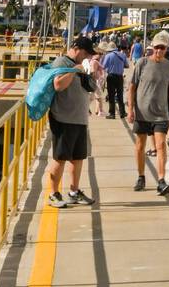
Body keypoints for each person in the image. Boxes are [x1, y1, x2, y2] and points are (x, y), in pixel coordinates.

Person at [46, 36, 98, 209]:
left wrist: (93, 71)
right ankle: (53, 193)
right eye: (86, 53)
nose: (87, 57)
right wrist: (75, 70)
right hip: (63, 118)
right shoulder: (62, 62)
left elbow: (91, 87)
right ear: (76, 48)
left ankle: (74, 192)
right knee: (60, 158)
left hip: (79, 118)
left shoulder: (83, 64)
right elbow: (58, 85)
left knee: (78, 158)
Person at [129, 30, 169, 196]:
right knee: (140, 146)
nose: (159, 51)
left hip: (161, 114)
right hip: (142, 113)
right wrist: (130, 110)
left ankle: (161, 181)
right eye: (157, 47)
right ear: (152, 48)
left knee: (160, 146)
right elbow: (132, 87)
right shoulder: (142, 63)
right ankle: (141, 176)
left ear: (166, 49)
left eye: (162, 48)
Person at [99, 39, 128, 119]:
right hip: (120, 77)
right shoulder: (122, 55)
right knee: (120, 95)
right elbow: (127, 65)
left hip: (111, 76)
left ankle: (112, 113)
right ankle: (122, 113)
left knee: (111, 95)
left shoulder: (108, 56)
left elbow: (103, 67)